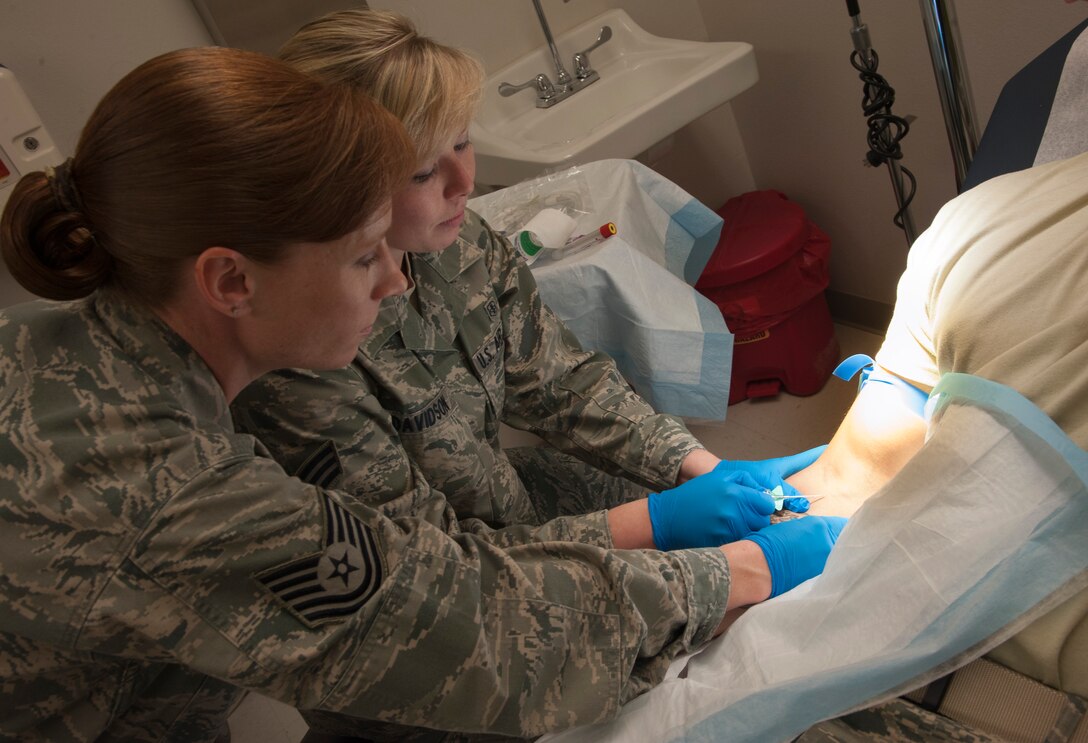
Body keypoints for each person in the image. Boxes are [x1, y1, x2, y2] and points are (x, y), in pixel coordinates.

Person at [0, 46, 845, 743]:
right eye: (365, 255)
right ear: (230, 280)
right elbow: (463, 625)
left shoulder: (90, 355)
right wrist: (741, 571)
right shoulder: (164, 482)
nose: (399, 283)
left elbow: (551, 381)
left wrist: (695, 482)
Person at [233, 7, 820, 563]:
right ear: (340, 183)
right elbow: (429, 572)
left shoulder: (457, 244)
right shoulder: (306, 351)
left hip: (515, 504)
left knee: (766, 524)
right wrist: (661, 536)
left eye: (462, 141)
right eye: (421, 171)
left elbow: (558, 380)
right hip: (454, 574)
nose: (465, 181)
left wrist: (694, 465)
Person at [790, 150, 1088, 740]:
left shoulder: (984, 221)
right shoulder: (978, 225)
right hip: (897, 677)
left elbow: (848, 482)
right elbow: (847, 483)